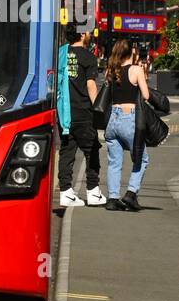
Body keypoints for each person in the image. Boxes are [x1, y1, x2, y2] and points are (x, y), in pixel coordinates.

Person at [57, 26, 106, 207]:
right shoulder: (88, 57)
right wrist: (97, 109)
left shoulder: (60, 54)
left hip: (64, 113)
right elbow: (91, 85)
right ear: (82, 34)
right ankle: (93, 192)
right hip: (84, 112)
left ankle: (65, 192)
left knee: (67, 152)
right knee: (91, 150)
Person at [103, 39, 151, 211]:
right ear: (132, 51)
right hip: (128, 118)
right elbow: (145, 95)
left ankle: (112, 198)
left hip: (112, 120)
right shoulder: (136, 70)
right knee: (142, 157)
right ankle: (131, 193)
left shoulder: (111, 70)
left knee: (114, 162)